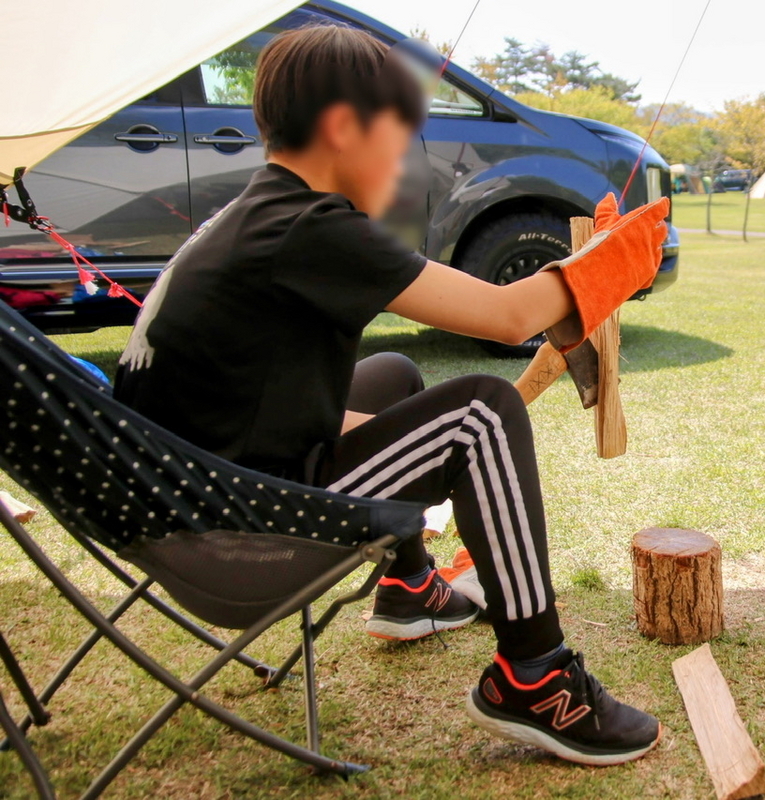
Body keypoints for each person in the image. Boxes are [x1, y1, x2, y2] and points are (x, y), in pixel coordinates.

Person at [113, 24, 668, 766]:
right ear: (344, 127)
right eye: (398, 133)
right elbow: (508, 317)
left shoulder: (259, 213)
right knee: (480, 413)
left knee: (394, 377)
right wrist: (607, 267)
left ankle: (408, 587)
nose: (406, 157)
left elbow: (235, 399)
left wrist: (582, 277)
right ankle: (536, 678)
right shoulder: (310, 225)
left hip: (186, 497)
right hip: (235, 539)